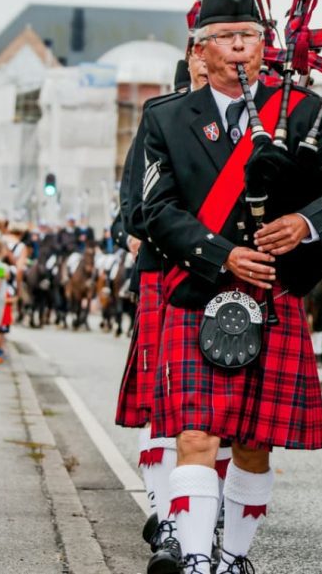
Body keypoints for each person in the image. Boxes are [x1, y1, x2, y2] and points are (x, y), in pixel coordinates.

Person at [141, 0, 322, 574]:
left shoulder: (301, 112)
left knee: (253, 441)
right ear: (201, 48)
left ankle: (233, 557)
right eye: (227, 37)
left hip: (274, 295)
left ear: (265, 47)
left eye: (251, 36)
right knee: (197, 434)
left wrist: (304, 223)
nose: (241, 47)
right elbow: (155, 210)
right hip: (199, 290)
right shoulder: (166, 118)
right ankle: (196, 558)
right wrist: (222, 256)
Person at [115, 57, 194, 574]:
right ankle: (165, 511)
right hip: (161, 269)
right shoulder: (160, 121)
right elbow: (130, 208)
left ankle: (199, 512)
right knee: (159, 398)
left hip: (224, 276)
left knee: (216, 414)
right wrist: (137, 229)